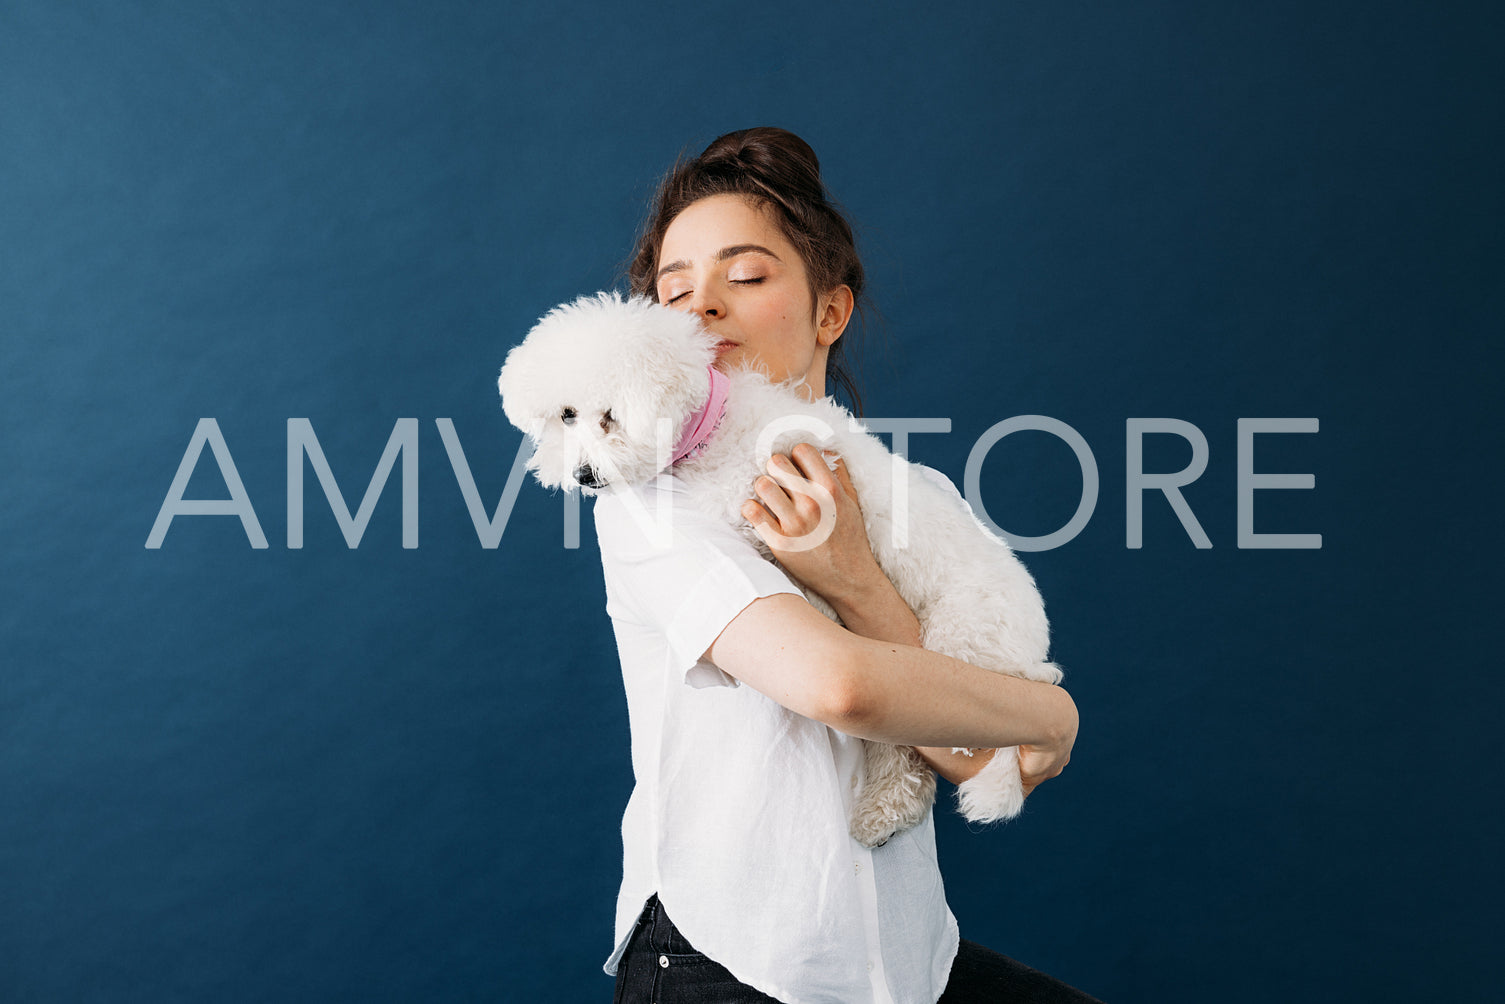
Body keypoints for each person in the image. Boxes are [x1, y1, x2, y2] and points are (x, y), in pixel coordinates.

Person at [596, 127, 1099, 1003]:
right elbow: (839, 688)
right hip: (725, 963)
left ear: (831, 311)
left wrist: (856, 578)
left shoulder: (909, 499)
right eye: (672, 290)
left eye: (744, 276)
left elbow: (978, 759)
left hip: (907, 964)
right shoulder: (649, 501)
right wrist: (1053, 712)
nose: (699, 307)